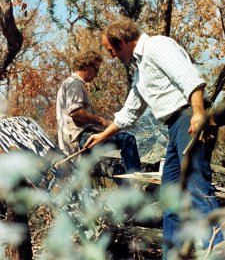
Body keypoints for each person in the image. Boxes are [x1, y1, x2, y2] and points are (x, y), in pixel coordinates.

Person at [83, 20, 223, 258]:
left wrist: (199, 112)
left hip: (188, 119)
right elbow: (130, 111)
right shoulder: (140, 70)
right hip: (174, 126)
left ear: (123, 41)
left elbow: (189, 78)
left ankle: (219, 245)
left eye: (112, 50)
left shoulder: (157, 46)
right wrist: (102, 136)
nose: (113, 56)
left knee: (196, 186)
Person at [56, 49, 141, 176]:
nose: (97, 75)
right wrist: (101, 121)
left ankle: (127, 181)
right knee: (127, 139)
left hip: (78, 139)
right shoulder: (74, 83)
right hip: (81, 138)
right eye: (96, 70)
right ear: (86, 66)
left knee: (114, 169)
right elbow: (75, 112)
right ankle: (136, 180)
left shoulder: (74, 84)